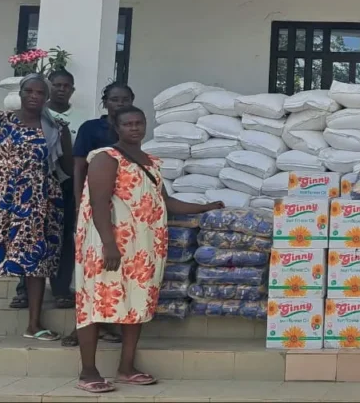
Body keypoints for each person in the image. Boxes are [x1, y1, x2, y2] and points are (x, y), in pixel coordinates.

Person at [74, 106, 223, 393]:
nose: (134, 128)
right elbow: (98, 203)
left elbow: (165, 201)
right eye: (127, 124)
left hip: (142, 248)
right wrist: (109, 243)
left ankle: (126, 368)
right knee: (93, 302)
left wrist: (204, 207)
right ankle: (88, 371)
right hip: (108, 245)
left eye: (138, 123)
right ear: (117, 128)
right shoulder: (106, 158)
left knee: (137, 303)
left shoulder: (151, 162)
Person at [0, 74, 71, 348]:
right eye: (29, 91)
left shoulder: (56, 128)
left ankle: (34, 325)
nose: (34, 96)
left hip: (39, 199)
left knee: (36, 260)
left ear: (47, 97)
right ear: (21, 93)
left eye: (40, 92)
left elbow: (69, 167)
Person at [59, 81, 136, 347]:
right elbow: (79, 166)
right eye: (115, 99)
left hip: (123, 210)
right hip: (93, 204)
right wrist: (79, 202)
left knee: (112, 269)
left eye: (125, 99)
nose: (120, 104)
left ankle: (106, 323)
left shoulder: (130, 128)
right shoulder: (91, 128)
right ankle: (80, 328)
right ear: (105, 102)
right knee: (88, 267)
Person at [11, 70, 87, 311]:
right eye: (57, 85)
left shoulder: (81, 118)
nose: (61, 89)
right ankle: (23, 289)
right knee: (26, 235)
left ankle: (61, 289)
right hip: (28, 185)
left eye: (66, 85)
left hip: (62, 183)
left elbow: (73, 159)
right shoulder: (28, 115)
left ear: (72, 89)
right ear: (49, 88)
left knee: (62, 237)